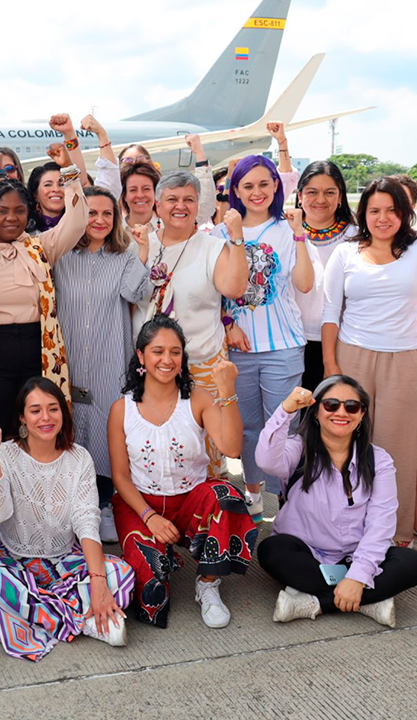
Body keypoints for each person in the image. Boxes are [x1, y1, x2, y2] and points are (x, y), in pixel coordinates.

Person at [321, 176, 417, 545]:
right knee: (346, 445)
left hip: (404, 360)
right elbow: (330, 312)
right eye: (374, 211)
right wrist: (331, 367)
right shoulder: (345, 252)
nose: (382, 218)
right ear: (363, 213)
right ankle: (343, 529)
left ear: (404, 213)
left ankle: (395, 535)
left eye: (391, 210)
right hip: (352, 357)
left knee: (396, 447)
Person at [108, 316, 255, 629]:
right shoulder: (121, 409)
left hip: (192, 502)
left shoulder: (198, 398)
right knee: (151, 594)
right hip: (141, 505)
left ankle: (208, 583)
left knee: (225, 495)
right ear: (141, 356)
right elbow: (120, 476)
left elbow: (231, 448)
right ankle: (162, 556)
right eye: (158, 351)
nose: (167, 359)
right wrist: (150, 517)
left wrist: (227, 390)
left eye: (175, 352)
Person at [0, 380, 135, 660]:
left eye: (53, 408)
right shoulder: (5, 453)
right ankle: (84, 621)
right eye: (35, 410)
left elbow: (86, 521)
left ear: (63, 412)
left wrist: (98, 582)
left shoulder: (79, 458)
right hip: (14, 560)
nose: (46, 418)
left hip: (66, 560)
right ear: (22, 417)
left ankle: (28, 616)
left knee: (121, 574)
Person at [255, 378, 417, 627]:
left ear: (362, 414)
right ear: (316, 411)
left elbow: (381, 523)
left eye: (351, 406)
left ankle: (315, 602)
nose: (341, 412)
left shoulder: (378, 460)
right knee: (272, 551)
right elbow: (266, 461)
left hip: (358, 554)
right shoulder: (299, 449)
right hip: (307, 553)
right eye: (331, 404)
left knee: (413, 563)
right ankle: (370, 601)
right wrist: (286, 410)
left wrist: (358, 575)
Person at [214, 154, 315, 521]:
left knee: (284, 427)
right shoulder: (220, 233)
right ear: (236, 191)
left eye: (263, 184)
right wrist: (228, 323)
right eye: (247, 186)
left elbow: (305, 284)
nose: (256, 192)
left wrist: (300, 234)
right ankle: (253, 493)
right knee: (248, 429)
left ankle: (287, 500)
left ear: (276, 185)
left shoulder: (289, 229)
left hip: (283, 347)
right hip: (238, 349)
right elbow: (214, 292)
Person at [134, 171, 249, 482]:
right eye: (172, 199)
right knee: (157, 443)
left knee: (207, 448)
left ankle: (208, 504)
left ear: (198, 206)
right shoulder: (140, 243)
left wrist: (237, 239)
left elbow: (234, 288)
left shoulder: (213, 247)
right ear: (158, 205)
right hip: (150, 366)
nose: (180, 206)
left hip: (201, 361)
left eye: (189, 199)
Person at [53, 185, 151, 539]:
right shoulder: (60, 255)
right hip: (69, 360)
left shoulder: (124, 256)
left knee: (107, 434)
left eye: (107, 213)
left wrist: (142, 252)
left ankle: (105, 505)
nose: (99, 220)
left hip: (110, 360)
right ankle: (69, 508)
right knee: (67, 430)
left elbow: (136, 293)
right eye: (91, 212)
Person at [0, 174, 87, 438]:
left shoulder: (40, 247)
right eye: (2, 211)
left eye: (19, 210)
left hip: (39, 350)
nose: (11, 217)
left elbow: (77, 222)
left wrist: (69, 174)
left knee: (41, 425)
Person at [294, 161, 356, 391]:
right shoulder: (285, 233)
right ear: (299, 196)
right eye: (312, 192)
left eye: (329, 192)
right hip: (292, 342)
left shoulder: (357, 237)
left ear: (340, 198)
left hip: (341, 342)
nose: (320, 199)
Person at [120, 160, 161, 230]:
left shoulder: (168, 227)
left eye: (146, 189)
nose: (140, 195)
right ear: (124, 196)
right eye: (133, 190)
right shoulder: (116, 231)